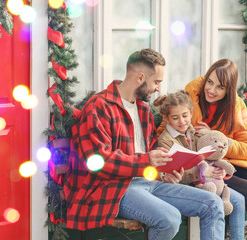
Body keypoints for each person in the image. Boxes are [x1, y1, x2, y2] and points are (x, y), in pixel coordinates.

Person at [63, 49, 225, 240]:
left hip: (149, 183)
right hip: (114, 189)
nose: (158, 88)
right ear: (140, 77)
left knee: (213, 203)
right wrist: (146, 161)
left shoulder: (142, 109)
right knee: (170, 219)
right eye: (156, 82)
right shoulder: (98, 107)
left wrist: (166, 172)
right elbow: (99, 161)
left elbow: (151, 153)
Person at [157, 59, 247, 240]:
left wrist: (219, 140)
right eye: (210, 82)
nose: (211, 90)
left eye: (220, 87)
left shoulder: (237, 105)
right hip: (209, 168)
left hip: (236, 161)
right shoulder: (191, 96)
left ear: (228, 89)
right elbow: (165, 127)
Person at [154, 90, 246, 240]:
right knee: (214, 203)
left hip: (208, 181)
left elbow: (212, 155)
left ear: (191, 113)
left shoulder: (195, 133)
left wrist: (219, 170)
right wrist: (203, 172)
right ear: (166, 119)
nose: (182, 121)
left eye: (185, 116)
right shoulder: (165, 140)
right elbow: (173, 173)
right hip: (186, 186)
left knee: (239, 199)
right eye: (175, 118)